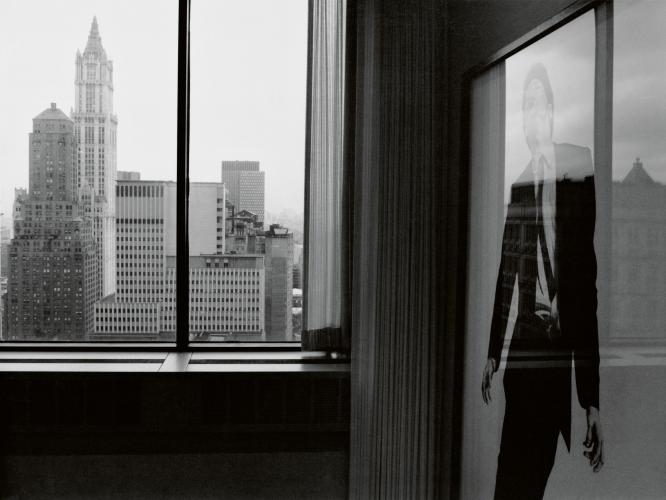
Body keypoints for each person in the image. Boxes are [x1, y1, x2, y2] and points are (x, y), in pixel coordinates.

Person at [481, 62, 604, 500]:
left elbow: (584, 285)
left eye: (536, 102)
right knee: (510, 479)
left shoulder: (577, 165)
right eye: (524, 105)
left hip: (556, 352)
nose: (530, 113)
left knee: (535, 476)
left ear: (550, 111)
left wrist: (590, 400)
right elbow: (505, 274)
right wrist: (493, 352)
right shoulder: (519, 186)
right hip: (525, 350)